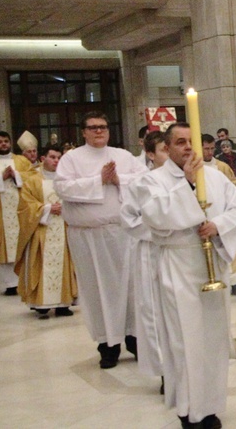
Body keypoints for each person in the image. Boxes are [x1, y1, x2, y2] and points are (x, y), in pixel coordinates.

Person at [133, 122, 236, 429]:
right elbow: (155, 216)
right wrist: (185, 185)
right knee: (184, 340)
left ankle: (209, 406)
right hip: (178, 264)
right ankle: (187, 409)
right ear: (167, 148)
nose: (187, 147)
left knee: (212, 339)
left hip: (212, 263)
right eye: (180, 142)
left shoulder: (214, 176)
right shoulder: (153, 181)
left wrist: (218, 225)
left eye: (191, 141)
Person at [54, 112, 146, 369]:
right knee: (98, 289)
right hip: (87, 236)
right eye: (93, 128)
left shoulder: (123, 156)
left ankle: (134, 337)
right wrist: (98, 181)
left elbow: (144, 180)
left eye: (103, 127)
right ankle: (108, 344)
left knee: (129, 287)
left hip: (122, 234)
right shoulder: (71, 159)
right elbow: (62, 188)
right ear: (83, 132)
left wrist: (118, 179)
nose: (98, 132)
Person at [120, 130, 169, 387]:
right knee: (154, 311)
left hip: (183, 253)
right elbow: (130, 219)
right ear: (150, 154)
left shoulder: (190, 179)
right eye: (164, 149)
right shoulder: (140, 184)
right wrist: (165, 230)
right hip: (152, 252)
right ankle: (164, 370)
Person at [15, 145, 77, 319]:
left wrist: (65, 208)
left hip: (64, 228)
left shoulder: (66, 180)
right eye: (52, 157)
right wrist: (48, 208)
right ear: (43, 159)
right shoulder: (33, 180)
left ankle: (63, 304)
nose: (56, 161)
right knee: (41, 263)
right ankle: (41, 304)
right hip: (42, 229)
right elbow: (25, 206)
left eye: (59, 157)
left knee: (65, 263)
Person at [0, 131, 33, 294]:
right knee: (2, 244)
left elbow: (34, 178)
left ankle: (25, 280)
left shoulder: (22, 161)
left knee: (23, 242)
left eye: (6, 141)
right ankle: (10, 284)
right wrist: (0, 178)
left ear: (10, 143)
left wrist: (16, 175)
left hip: (21, 209)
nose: (3, 144)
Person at [202, 134, 236, 295]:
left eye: (211, 149)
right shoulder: (192, 169)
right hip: (206, 217)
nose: (209, 152)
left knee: (233, 245)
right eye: (205, 149)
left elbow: (232, 185)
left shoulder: (221, 166)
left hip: (223, 214)